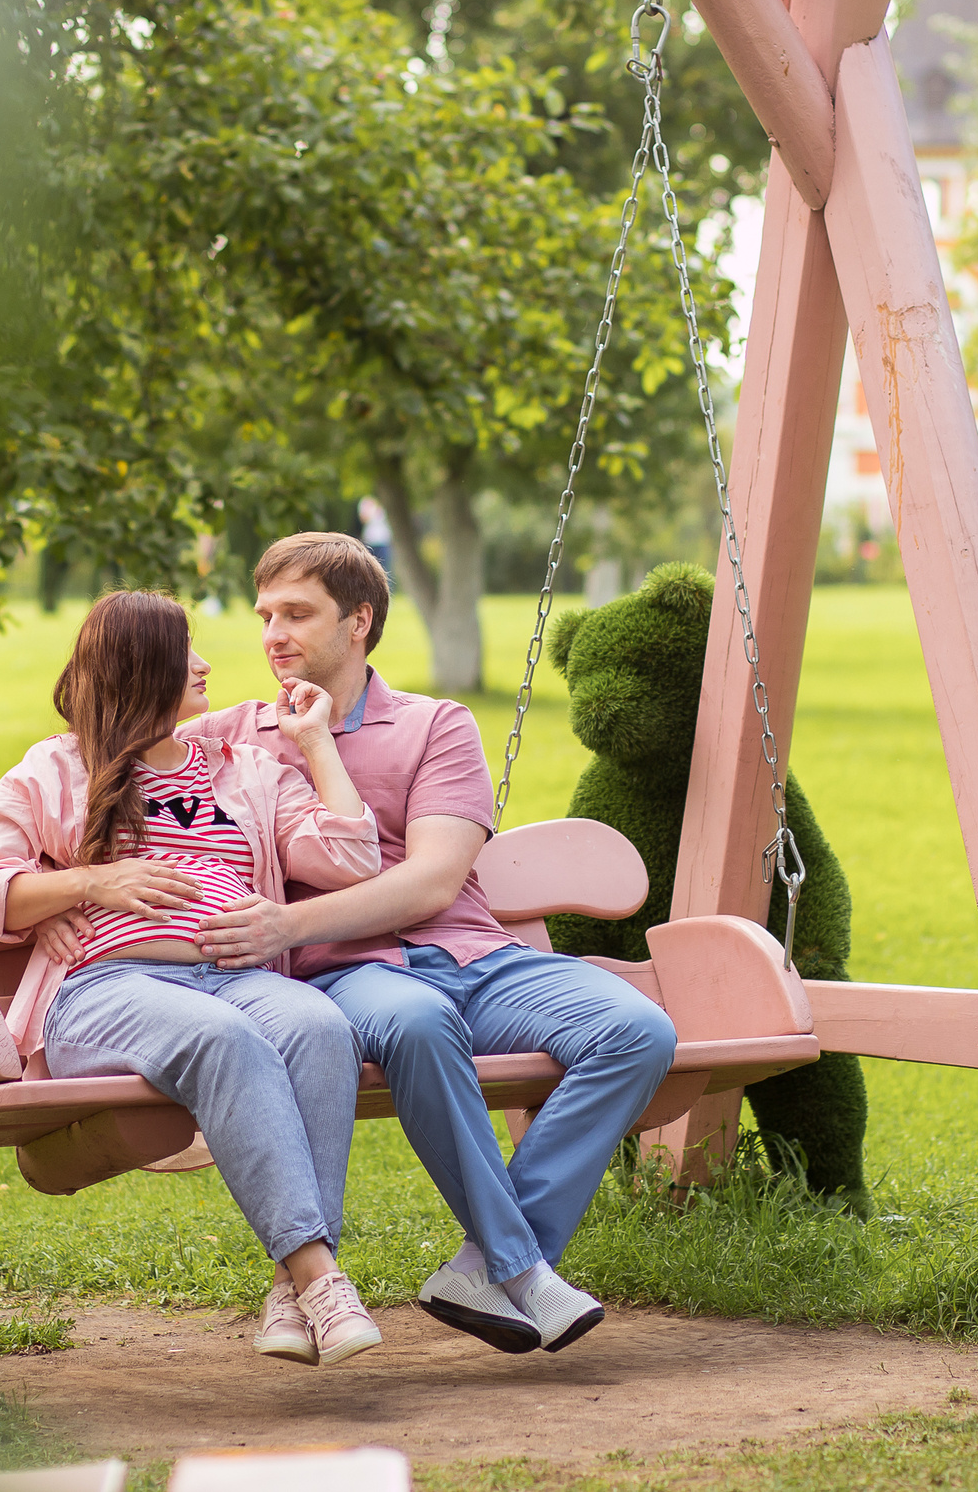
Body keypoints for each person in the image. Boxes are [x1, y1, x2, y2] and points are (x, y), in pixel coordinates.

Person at [185, 534, 678, 1356]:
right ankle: (523, 1272)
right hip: (349, 975)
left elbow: (433, 883)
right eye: (266, 613)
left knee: (638, 1032)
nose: (274, 633)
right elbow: (119, 775)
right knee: (417, 1021)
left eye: (297, 613)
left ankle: (490, 1261)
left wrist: (288, 921)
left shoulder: (434, 725)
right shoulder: (229, 738)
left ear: (359, 622)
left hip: (478, 959)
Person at [0, 590, 386, 1367]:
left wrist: (316, 741)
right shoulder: (59, 767)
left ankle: (291, 1287)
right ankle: (323, 1280)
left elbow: (352, 860)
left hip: (233, 974)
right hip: (105, 990)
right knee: (223, 1038)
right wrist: (88, 884)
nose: (204, 665)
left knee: (320, 1025)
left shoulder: (250, 769)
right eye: (184, 651)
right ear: (141, 666)